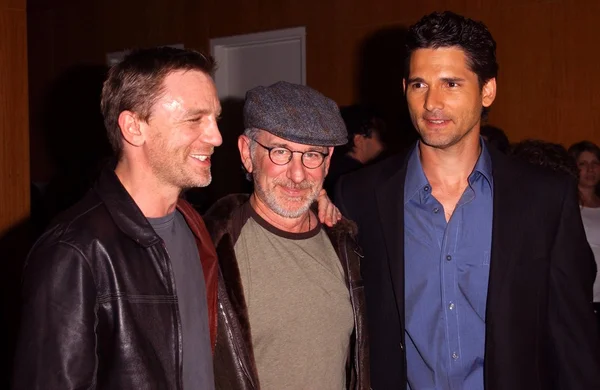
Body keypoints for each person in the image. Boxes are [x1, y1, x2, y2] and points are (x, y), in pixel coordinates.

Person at [335, 11, 600, 390]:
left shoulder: (545, 198)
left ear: (487, 90)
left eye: (451, 84)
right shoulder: (359, 195)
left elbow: (574, 339)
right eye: (419, 84)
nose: (432, 103)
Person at [204, 81, 370, 389]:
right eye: (280, 152)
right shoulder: (209, 251)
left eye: (311, 155)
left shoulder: (346, 244)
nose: (297, 174)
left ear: (328, 160)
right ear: (246, 153)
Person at [569, 141, 600, 329]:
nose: (590, 169)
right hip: (583, 300)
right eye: (583, 164)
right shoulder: (569, 206)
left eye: (595, 163)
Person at [324, 104, 386, 198]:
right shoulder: (360, 179)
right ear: (359, 141)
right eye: (378, 137)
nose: (382, 145)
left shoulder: (330, 170)